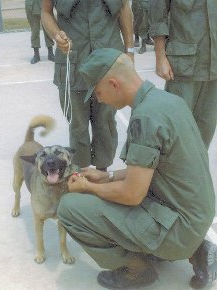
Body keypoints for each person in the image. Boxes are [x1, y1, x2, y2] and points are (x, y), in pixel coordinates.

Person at [57, 48, 217, 289]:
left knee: (69, 208)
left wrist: (88, 187)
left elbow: (131, 195)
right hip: (195, 215)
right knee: (112, 192)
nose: (99, 100)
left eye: (98, 92)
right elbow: (154, 168)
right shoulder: (167, 101)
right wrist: (106, 176)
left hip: (180, 227)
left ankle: (137, 270)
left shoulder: (144, 119)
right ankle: (196, 248)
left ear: (113, 83)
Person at [41, 0, 134, 171]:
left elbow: (124, 8)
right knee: (77, 125)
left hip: (107, 61)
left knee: (105, 123)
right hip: (73, 61)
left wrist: (130, 50)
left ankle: (102, 173)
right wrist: (56, 34)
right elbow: (45, 12)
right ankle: (81, 175)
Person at [149, 0, 217, 149]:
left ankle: (197, 169)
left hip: (213, 65)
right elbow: (158, 14)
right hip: (183, 65)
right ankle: (175, 171)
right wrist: (160, 56)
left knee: (206, 128)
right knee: (177, 127)